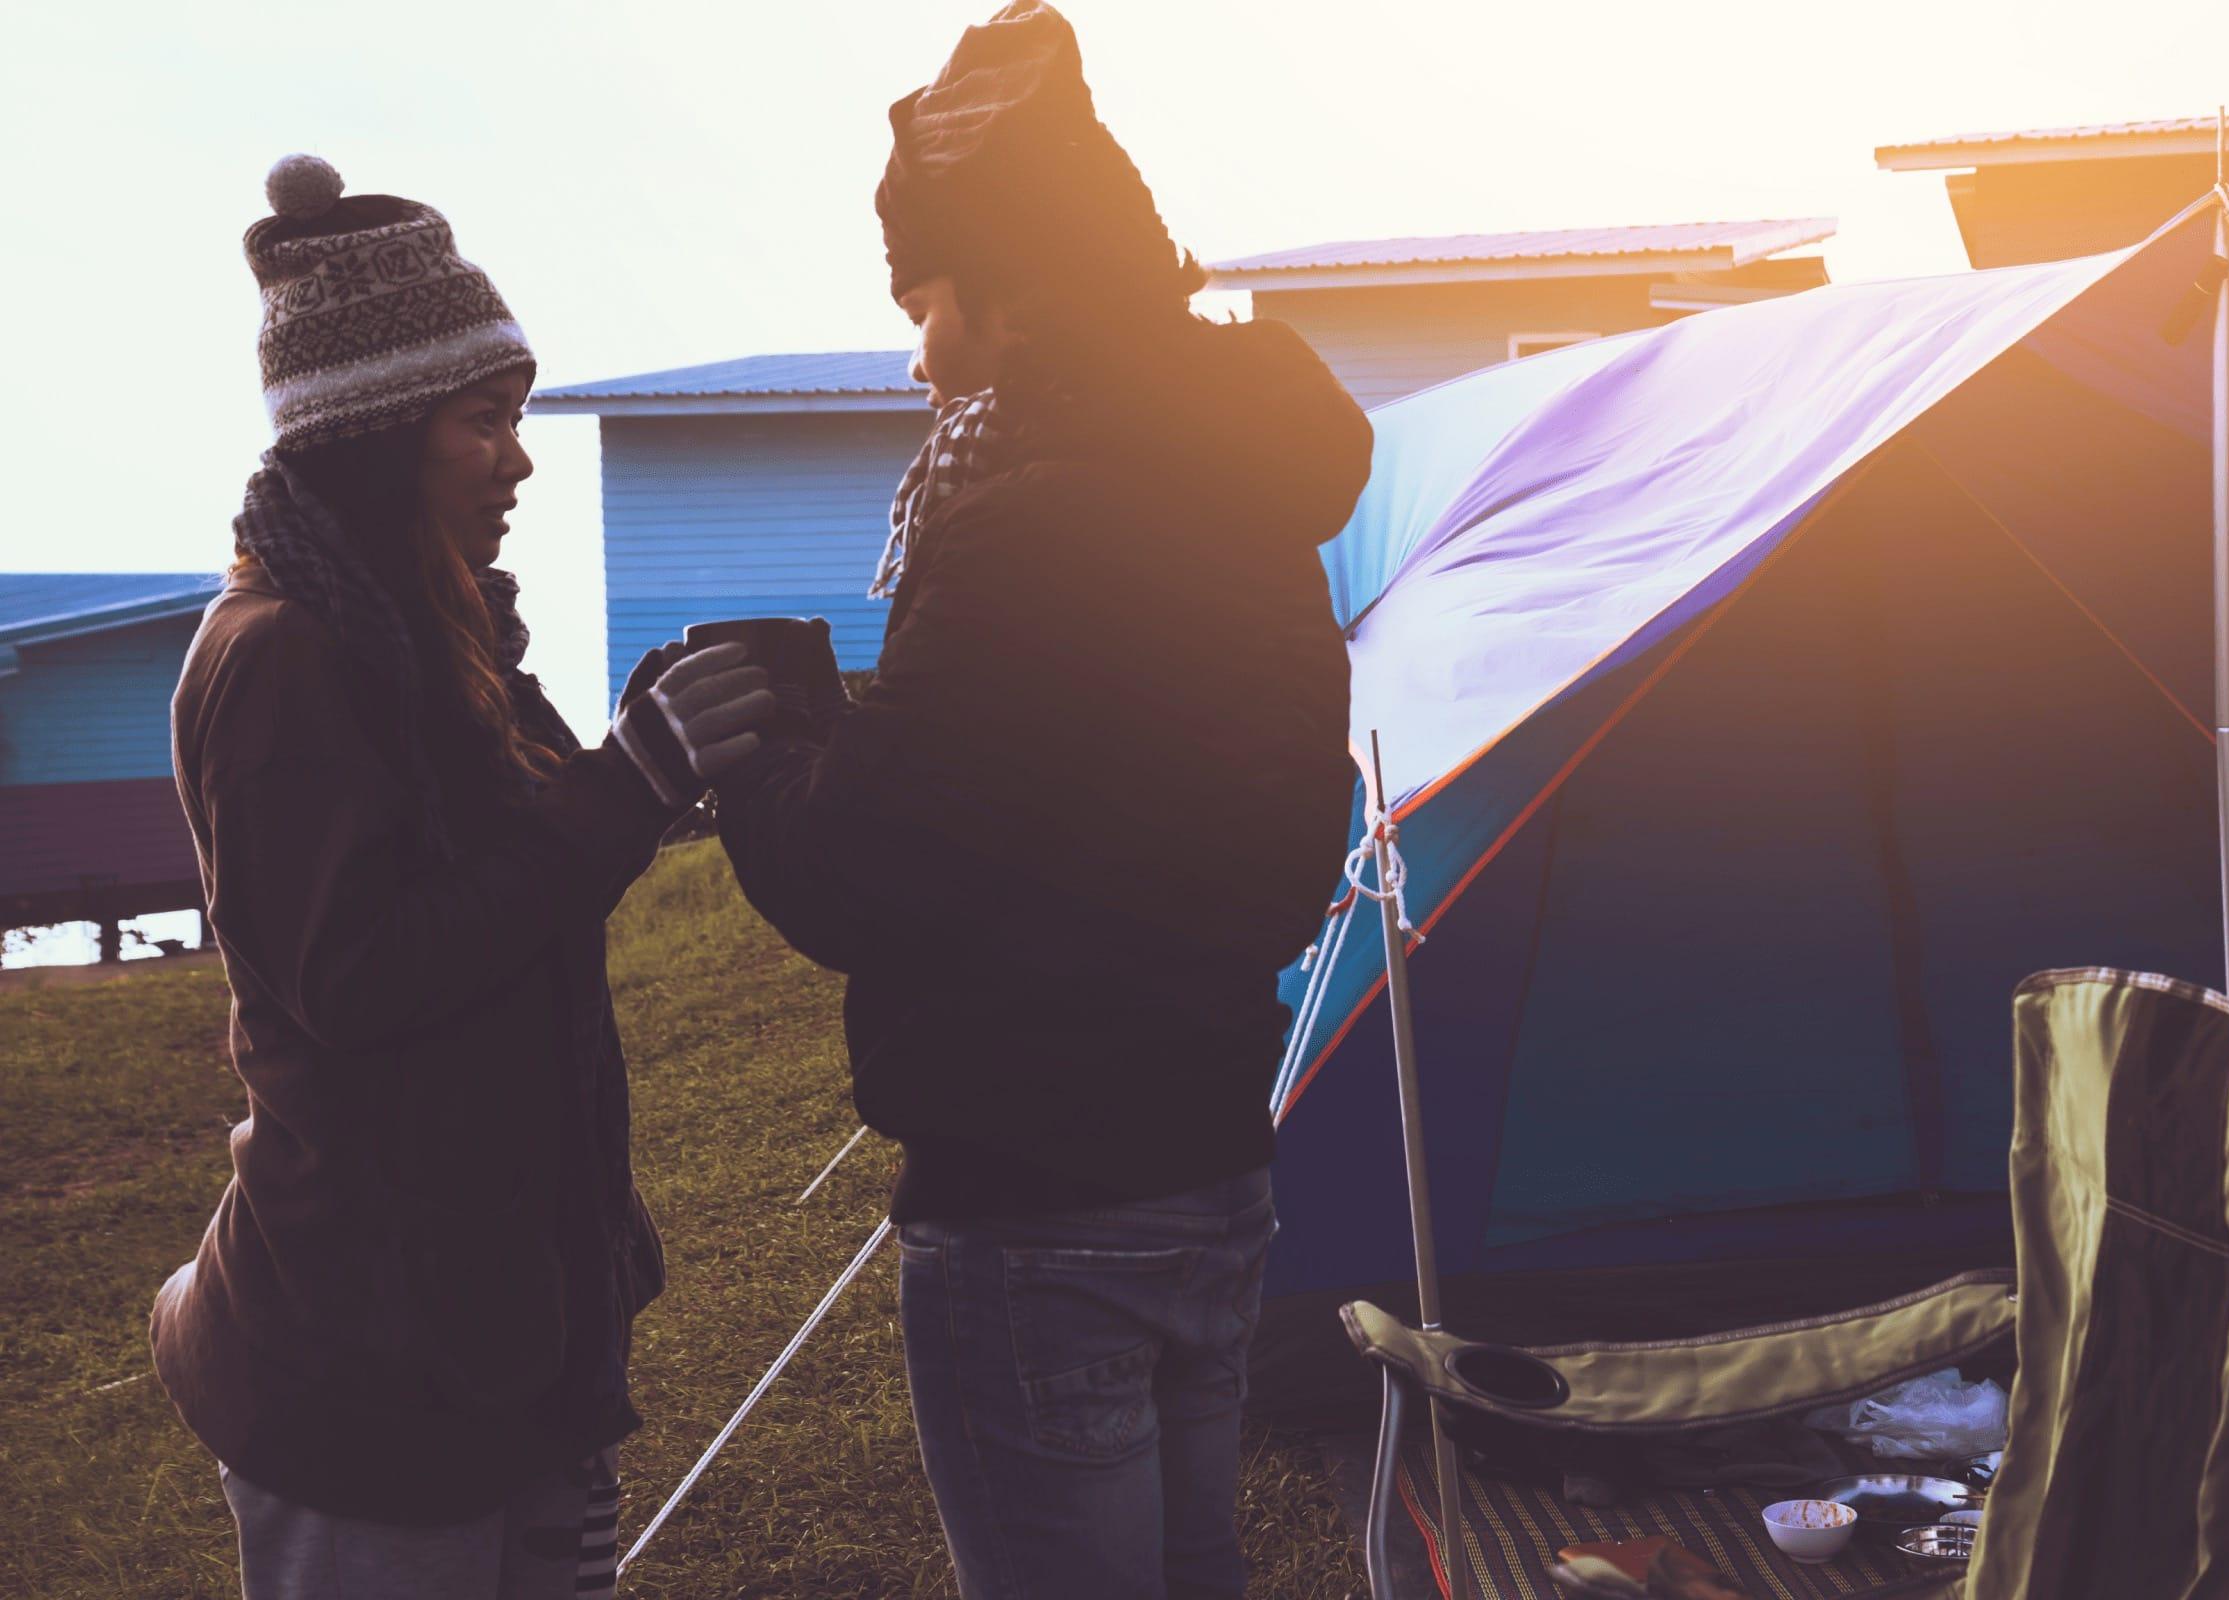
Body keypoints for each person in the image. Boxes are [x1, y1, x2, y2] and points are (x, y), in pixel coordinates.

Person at [709, 6, 1372, 1595]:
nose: (921, 355)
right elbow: (1098, 798)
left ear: (1016, 292)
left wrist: (756, 745)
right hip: (1211, 1164)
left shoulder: (1029, 515)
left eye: (926, 302)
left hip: (1041, 1200)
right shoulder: (1240, 485)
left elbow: (868, 868)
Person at [151, 155, 775, 1600]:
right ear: (379, 440)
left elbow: (525, 875)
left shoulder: (441, 631)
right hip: (371, 1368)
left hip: (507, 1336)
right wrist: (627, 786)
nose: (519, 459)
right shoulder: (281, 656)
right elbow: (359, 980)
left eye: (517, 417)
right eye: (481, 420)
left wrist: (642, 755)